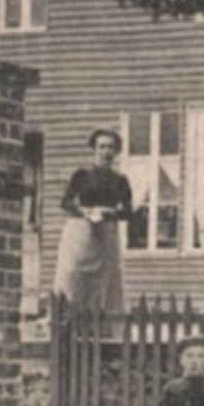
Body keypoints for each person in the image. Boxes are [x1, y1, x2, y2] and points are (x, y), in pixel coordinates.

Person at [53, 128, 132, 316]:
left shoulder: (120, 181)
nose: (106, 151)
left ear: (116, 151)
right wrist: (83, 210)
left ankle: (104, 326)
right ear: (94, 149)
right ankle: (68, 320)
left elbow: (128, 213)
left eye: (111, 147)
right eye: (102, 146)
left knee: (107, 281)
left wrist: (108, 213)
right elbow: (65, 203)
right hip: (81, 234)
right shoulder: (81, 176)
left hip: (106, 237)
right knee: (73, 275)